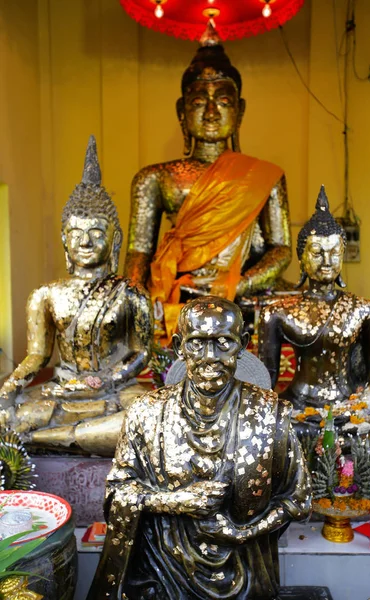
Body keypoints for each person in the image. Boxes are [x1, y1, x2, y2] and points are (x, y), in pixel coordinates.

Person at [87, 296, 311, 599]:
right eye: (196, 343)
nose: (210, 357)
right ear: (179, 345)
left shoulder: (269, 414)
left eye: (223, 342)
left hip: (245, 573)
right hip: (160, 575)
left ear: (242, 344)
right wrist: (175, 501)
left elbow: (297, 500)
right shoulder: (147, 412)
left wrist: (242, 533)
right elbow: (117, 492)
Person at [124, 23, 291, 336]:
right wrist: (137, 299)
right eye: (200, 101)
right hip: (179, 292)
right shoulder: (155, 178)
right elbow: (138, 253)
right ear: (182, 110)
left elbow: (281, 249)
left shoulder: (265, 176)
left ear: (239, 111)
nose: (212, 113)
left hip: (241, 295)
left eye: (224, 102)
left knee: (302, 308)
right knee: (126, 309)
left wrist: (236, 284)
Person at [0, 136, 153, 456]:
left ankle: (46, 439)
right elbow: (38, 356)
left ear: (114, 240)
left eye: (96, 232)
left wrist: (109, 379)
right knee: (8, 417)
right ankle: (64, 436)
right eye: (76, 232)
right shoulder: (46, 294)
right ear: (64, 238)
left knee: (149, 421)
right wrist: (12, 383)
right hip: (64, 391)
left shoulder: (131, 293)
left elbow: (141, 354)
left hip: (116, 392)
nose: (85, 241)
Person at [258, 185, 370, 439]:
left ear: (342, 256)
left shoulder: (367, 310)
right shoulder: (277, 313)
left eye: (335, 253)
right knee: (275, 433)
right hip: (299, 407)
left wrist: (364, 403)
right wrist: (261, 409)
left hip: (349, 407)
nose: (326, 261)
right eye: (317, 252)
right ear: (301, 257)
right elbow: (266, 376)